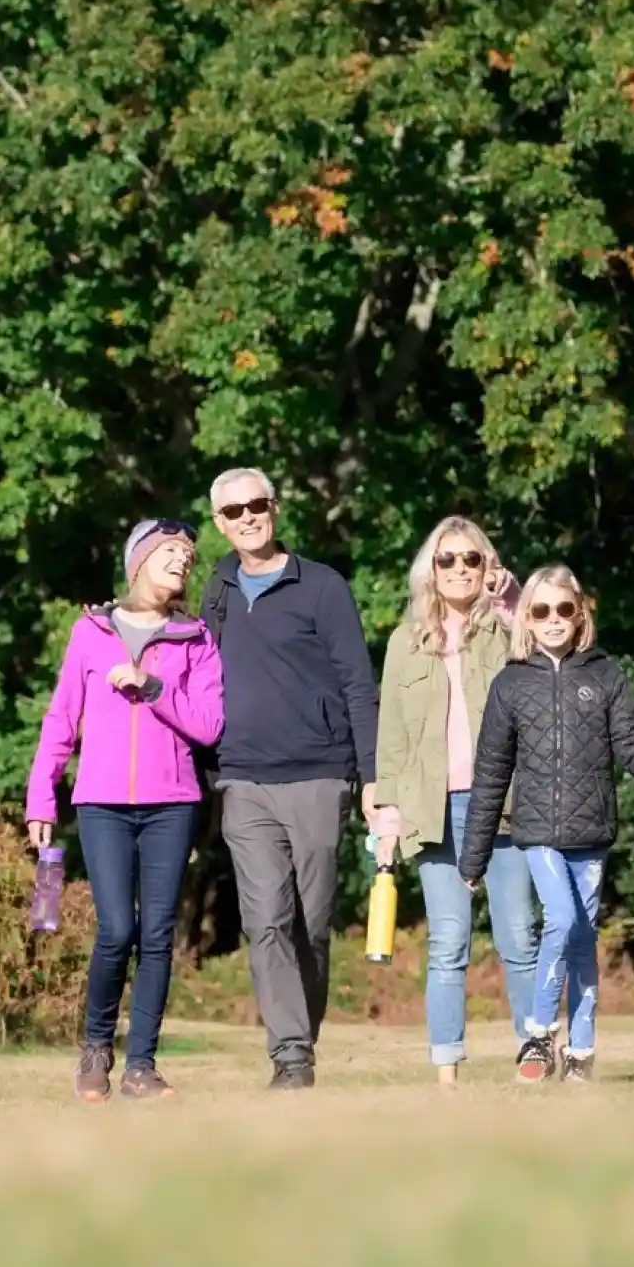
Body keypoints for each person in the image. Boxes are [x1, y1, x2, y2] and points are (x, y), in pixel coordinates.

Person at [458, 566, 634, 1084]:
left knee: (582, 939)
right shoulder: (509, 684)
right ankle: (537, 1033)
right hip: (537, 833)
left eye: (564, 610)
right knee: (561, 919)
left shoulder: (606, 676)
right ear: (525, 617)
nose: (554, 621)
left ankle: (582, 1050)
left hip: (591, 832)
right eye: (541, 611)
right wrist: (473, 857)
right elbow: (490, 774)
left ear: (580, 613)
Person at [26, 519, 225, 1103]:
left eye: (189, 556)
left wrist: (152, 688)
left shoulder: (196, 638)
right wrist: (43, 795)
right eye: (170, 551)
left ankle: (142, 1067)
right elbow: (61, 718)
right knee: (117, 930)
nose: (183, 562)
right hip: (102, 803)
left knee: (158, 936)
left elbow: (210, 725)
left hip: (171, 803)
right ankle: (95, 1048)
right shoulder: (90, 631)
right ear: (137, 561)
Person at [200, 467, 379, 1091]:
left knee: (312, 923)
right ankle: (291, 1057)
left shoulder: (323, 587)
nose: (248, 517)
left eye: (257, 505)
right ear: (219, 524)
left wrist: (371, 773)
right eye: (234, 512)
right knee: (266, 917)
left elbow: (359, 684)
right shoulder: (216, 590)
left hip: (319, 774)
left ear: (274, 508)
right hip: (243, 779)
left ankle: (303, 1037)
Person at [368, 516, 538, 1084]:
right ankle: (447, 1071)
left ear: (488, 566)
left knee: (519, 937)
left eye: (473, 558)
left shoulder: (507, 630)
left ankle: (534, 1055)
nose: (461, 568)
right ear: (431, 570)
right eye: (448, 560)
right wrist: (387, 816)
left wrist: (512, 597)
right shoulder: (404, 642)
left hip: (508, 803)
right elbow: (391, 736)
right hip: (434, 810)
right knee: (448, 943)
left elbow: (548, 651)